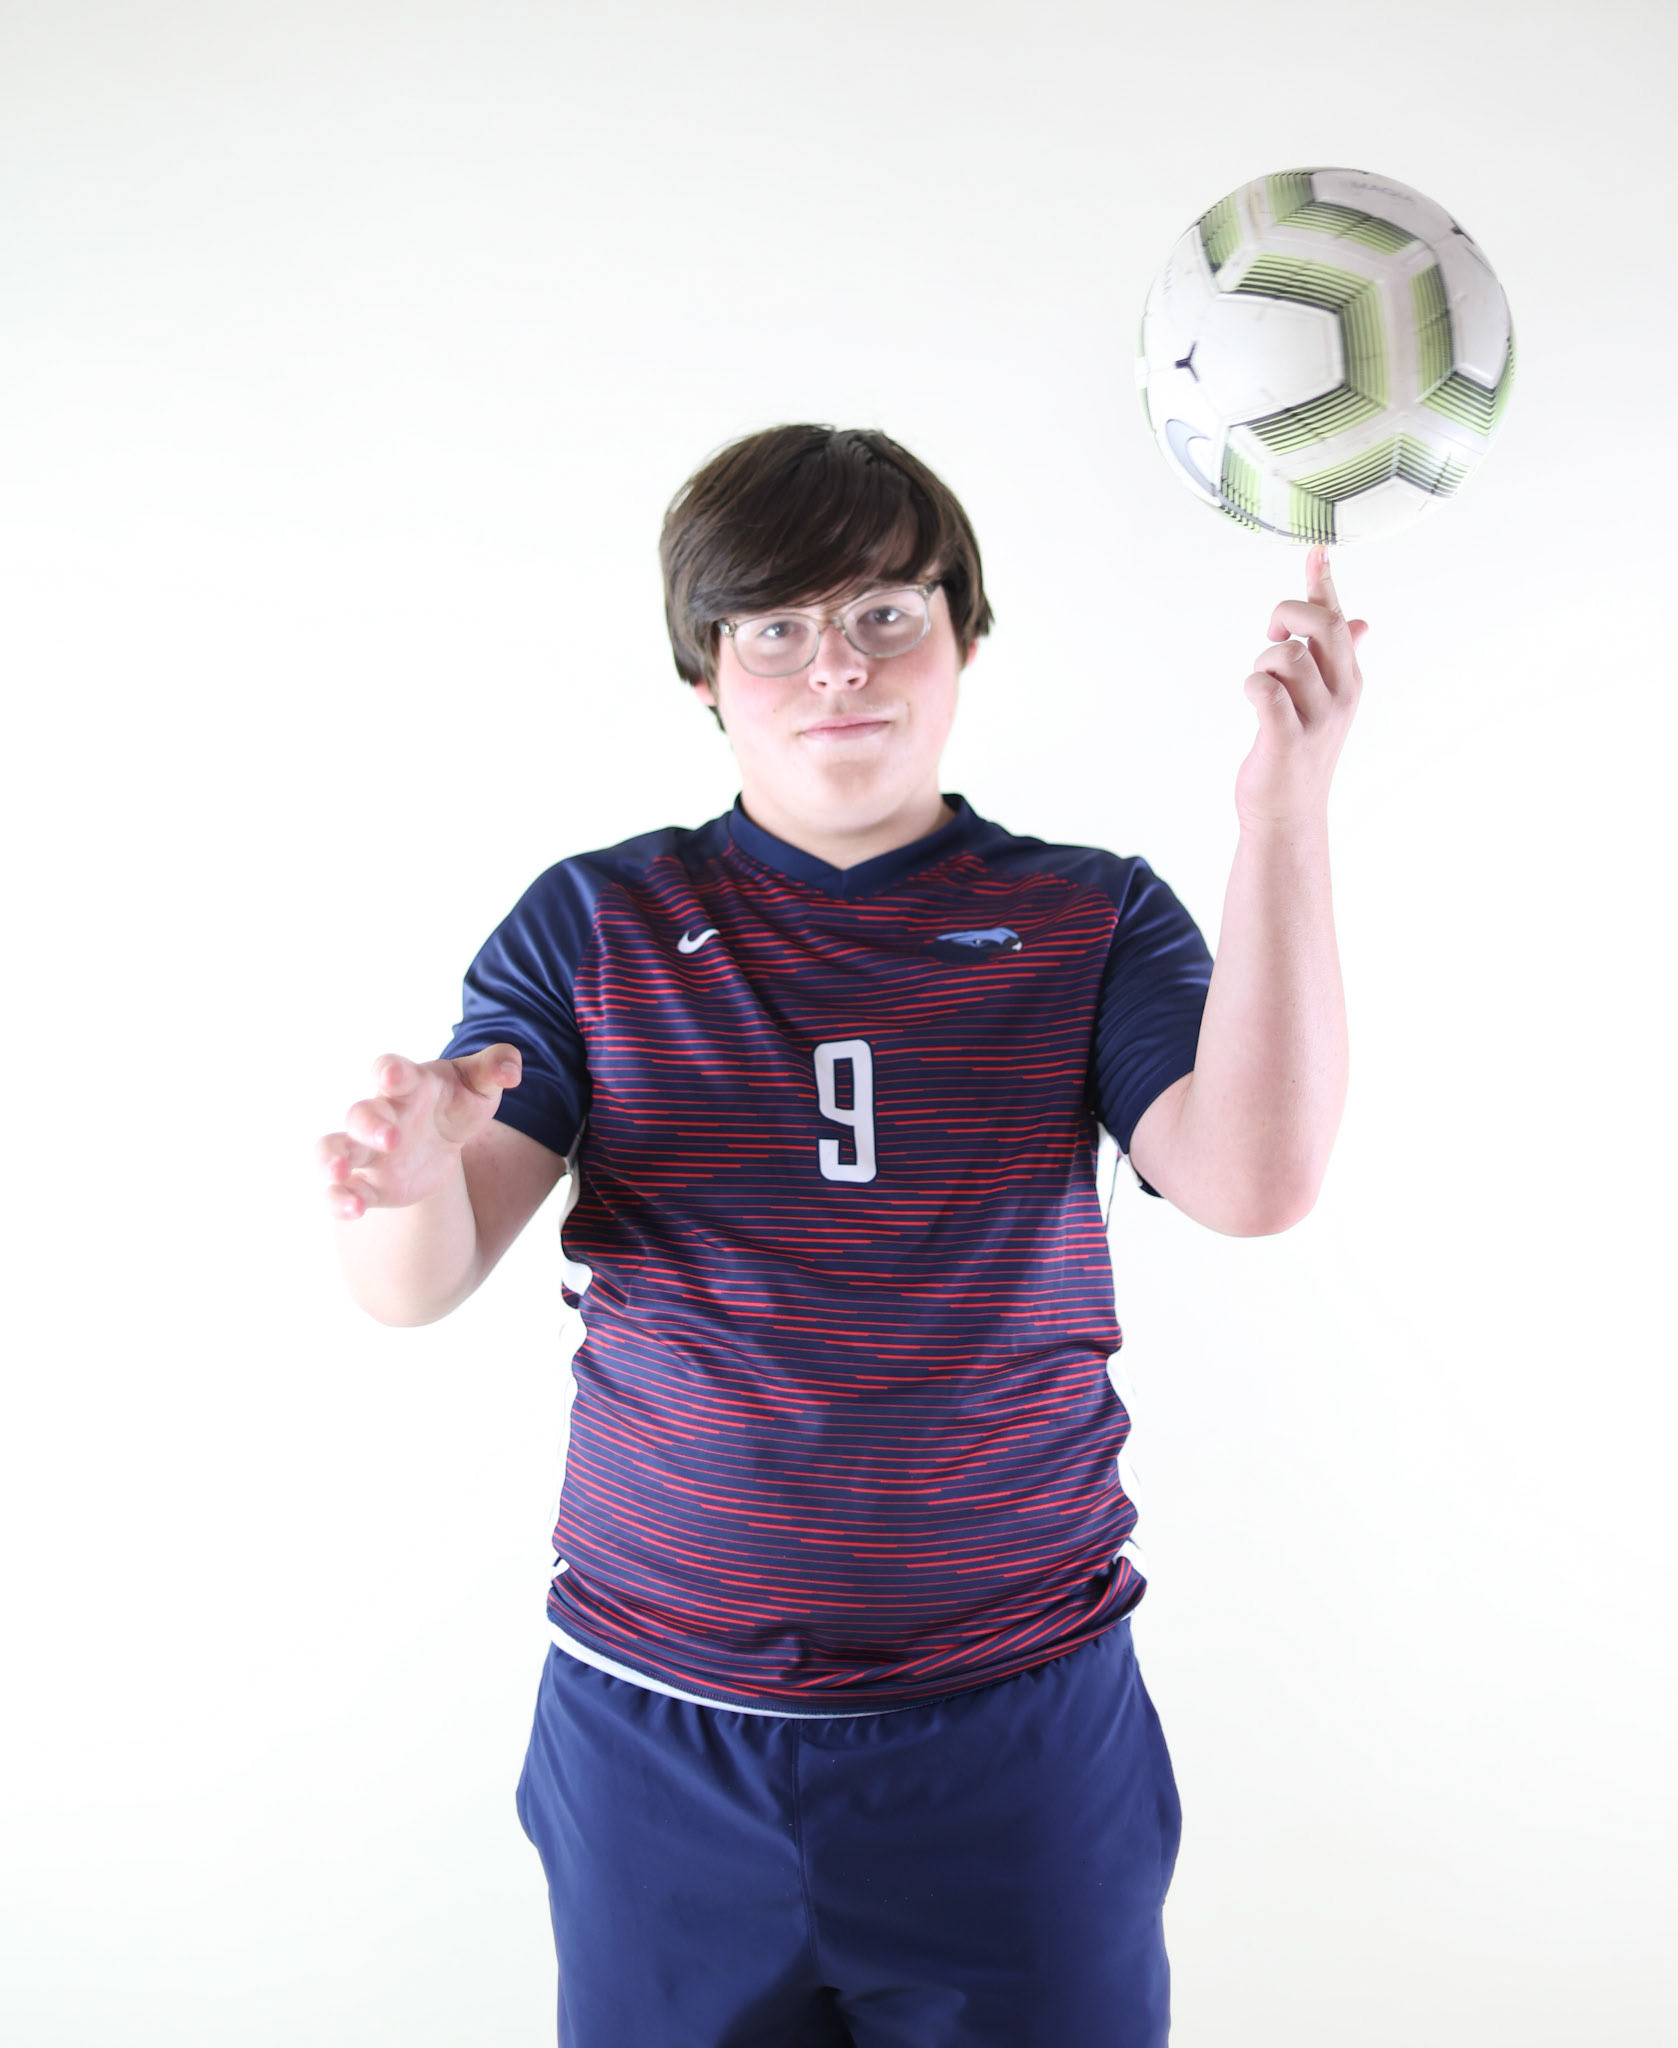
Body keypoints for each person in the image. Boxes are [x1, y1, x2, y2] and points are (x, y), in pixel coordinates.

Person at [316, 423, 1367, 2047]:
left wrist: (1281, 812)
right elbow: (422, 1281)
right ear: (704, 673)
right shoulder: (596, 924)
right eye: (776, 628)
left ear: (963, 640)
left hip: (1014, 1732)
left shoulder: (1086, 915)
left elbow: (1253, 1180)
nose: (836, 667)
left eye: (885, 613)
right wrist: (405, 1186)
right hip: (658, 1738)